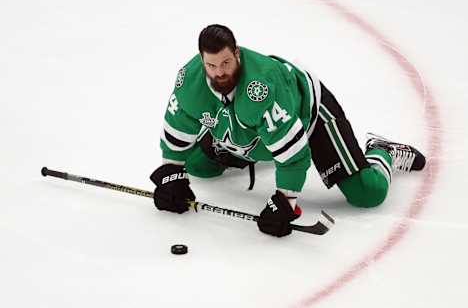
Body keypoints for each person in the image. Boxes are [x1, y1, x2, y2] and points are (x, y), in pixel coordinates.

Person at [150, 24, 426, 237]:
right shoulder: (189, 81)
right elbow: (177, 129)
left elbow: (293, 155)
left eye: (226, 63)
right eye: (211, 65)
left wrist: (285, 201)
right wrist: (170, 174)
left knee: (367, 193)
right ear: (201, 60)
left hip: (309, 117)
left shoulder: (262, 89)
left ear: (236, 53)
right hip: (247, 130)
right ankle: (259, 151)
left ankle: (382, 150)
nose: (219, 72)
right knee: (198, 168)